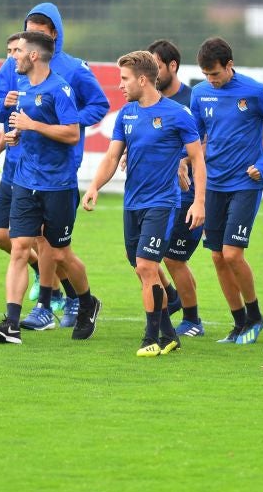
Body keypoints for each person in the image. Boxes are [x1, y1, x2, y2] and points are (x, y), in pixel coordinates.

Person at [0, 3, 109, 331]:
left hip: (57, 168)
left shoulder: (72, 71)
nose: (33, 34)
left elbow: (99, 105)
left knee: (50, 246)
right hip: (19, 164)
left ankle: (49, 302)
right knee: (3, 236)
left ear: (53, 34)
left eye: (41, 28)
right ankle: (55, 295)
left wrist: (62, 121)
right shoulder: (14, 66)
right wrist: (7, 118)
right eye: (31, 27)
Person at [82, 50, 206, 356]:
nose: (120, 86)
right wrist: (94, 186)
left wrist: (199, 202)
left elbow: (197, 160)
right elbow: (112, 156)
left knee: (147, 266)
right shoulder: (127, 114)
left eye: (124, 79)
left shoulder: (178, 114)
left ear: (142, 79)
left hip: (162, 204)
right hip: (132, 204)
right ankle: (169, 334)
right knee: (141, 269)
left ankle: (151, 339)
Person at [190, 37, 263, 345]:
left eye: (215, 74)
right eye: (206, 74)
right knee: (218, 257)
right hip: (213, 184)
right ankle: (238, 323)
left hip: (245, 183)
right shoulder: (199, 93)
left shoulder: (255, 91)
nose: (211, 80)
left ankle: (255, 315)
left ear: (229, 66)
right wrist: (182, 161)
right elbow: (194, 135)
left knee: (233, 254)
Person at [146, 39, 205, 338]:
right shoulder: (147, 100)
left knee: (173, 257)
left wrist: (183, 159)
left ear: (172, 66)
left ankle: (193, 319)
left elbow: (205, 141)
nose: (151, 73)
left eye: (156, 66)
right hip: (155, 194)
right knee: (143, 255)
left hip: (186, 192)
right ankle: (174, 297)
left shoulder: (192, 99)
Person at [0, 32, 41, 305]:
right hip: (12, 170)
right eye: (8, 50)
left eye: (16, 50)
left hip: (36, 173)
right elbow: (6, 121)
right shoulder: (9, 77)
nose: (11, 55)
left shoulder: (38, 83)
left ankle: (58, 293)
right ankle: (40, 269)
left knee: (43, 240)